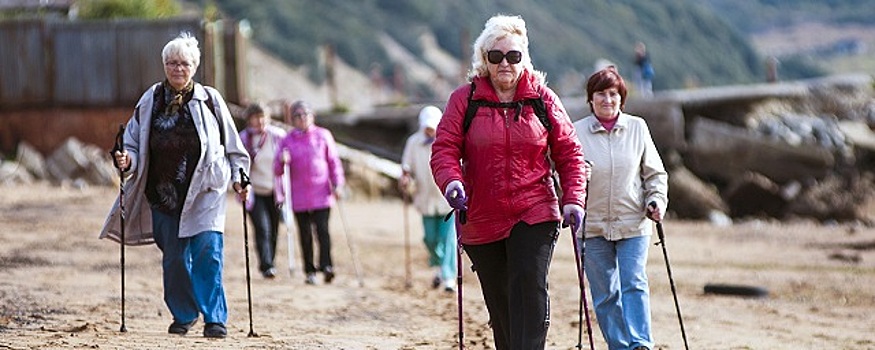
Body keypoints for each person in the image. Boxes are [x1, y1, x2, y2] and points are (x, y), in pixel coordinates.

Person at [430, 14, 587, 349]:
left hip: (535, 210)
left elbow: (570, 153)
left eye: (513, 56)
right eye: (496, 56)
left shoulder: (543, 99)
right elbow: (443, 149)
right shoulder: (464, 100)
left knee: (529, 284)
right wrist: (451, 183)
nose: (505, 63)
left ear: (524, 58)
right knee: (500, 300)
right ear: (484, 59)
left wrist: (573, 198)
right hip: (481, 214)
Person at [100, 32, 251, 339]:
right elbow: (132, 141)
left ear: (194, 66)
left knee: (209, 253)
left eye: (183, 63)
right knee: (175, 258)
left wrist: (239, 177)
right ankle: (183, 314)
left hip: (205, 191)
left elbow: (233, 145)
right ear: (164, 66)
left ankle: (214, 318)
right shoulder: (151, 99)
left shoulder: (209, 99)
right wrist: (126, 160)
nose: (177, 69)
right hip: (163, 193)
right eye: (171, 63)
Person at [572, 66, 669, 350]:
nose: (607, 99)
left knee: (634, 283)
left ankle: (640, 344)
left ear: (621, 98)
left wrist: (657, 201)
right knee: (604, 294)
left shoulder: (637, 127)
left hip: (633, 222)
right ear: (591, 99)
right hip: (592, 226)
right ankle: (619, 346)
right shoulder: (576, 132)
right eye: (600, 93)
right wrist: (577, 179)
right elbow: (559, 174)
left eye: (613, 94)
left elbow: (655, 174)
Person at [274, 100, 345, 285]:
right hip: (299, 196)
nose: (302, 118)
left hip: (321, 193)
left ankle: (327, 265)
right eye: (297, 115)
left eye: (305, 114)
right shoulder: (287, 140)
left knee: (323, 231)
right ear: (293, 119)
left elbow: (333, 161)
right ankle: (309, 270)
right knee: (305, 234)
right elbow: (277, 169)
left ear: (312, 116)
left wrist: (338, 183)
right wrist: (282, 161)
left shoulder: (323, 135)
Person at [400, 105, 457, 292]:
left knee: (447, 239)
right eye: (427, 127)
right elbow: (407, 166)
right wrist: (406, 177)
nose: (430, 130)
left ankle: (448, 277)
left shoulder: (446, 140)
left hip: (446, 200)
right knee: (430, 239)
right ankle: (440, 267)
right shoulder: (413, 142)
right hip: (424, 200)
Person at [238, 102, 287, 279]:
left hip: (274, 191)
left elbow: (287, 155)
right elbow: (239, 163)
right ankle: (266, 264)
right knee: (262, 227)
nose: (259, 121)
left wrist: (285, 159)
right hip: (254, 191)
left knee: (274, 228)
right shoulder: (243, 139)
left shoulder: (278, 136)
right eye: (255, 118)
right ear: (249, 120)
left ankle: (271, 262)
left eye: (262, 117)